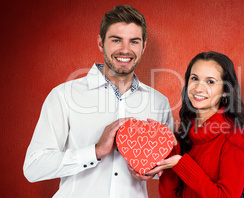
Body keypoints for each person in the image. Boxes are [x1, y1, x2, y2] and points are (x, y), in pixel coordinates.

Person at [23, 5, 173, 198]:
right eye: (116, 40)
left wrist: (150, 169)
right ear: (101, 43)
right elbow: (34, 167)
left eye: (134, 41)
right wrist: (94, 151)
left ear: (143, 46)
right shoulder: (64, 95)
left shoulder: (159, 102)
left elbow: (164, 167)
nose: (125, 50)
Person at [147, 51, 244, 197]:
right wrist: (170, 151)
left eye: (210, 81)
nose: (198, 88)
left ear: (225, 91)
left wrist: (182, 164)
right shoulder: (184, 133)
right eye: (194, 79)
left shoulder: (235, 136)